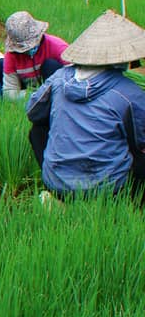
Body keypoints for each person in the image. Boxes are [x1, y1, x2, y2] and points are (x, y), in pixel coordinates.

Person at [27, 10, 145, 199]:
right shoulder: (129, 92)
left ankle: (59, 196)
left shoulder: (58, 79)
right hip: (108, 189)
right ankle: (134, 203)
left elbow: (33, 112)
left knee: (37, 129)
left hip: (58, 184)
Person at [0, 10, 68, 105]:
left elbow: (76, 76)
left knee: (50, 65)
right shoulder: (11, 55)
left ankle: (52, 108)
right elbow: (10, 93)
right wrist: (34, 94)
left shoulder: (57, 46)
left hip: (52, 88)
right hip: (26, 89)